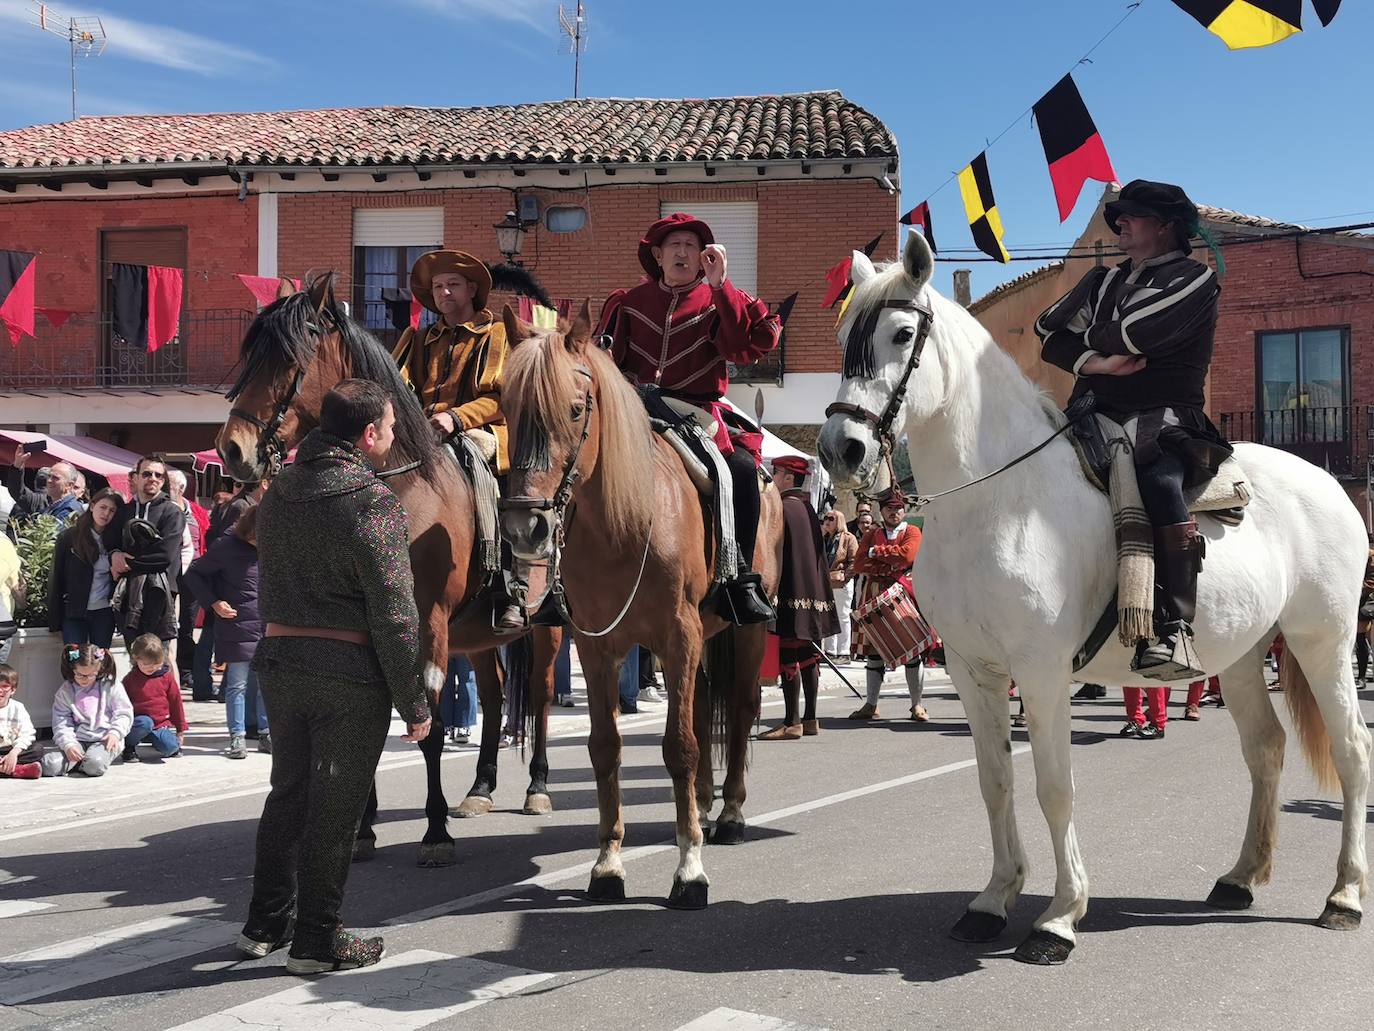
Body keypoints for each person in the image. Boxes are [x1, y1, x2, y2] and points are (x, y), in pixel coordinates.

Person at [237, 379, 430, 974]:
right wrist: (415, 703)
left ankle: (264, 924)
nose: (395, 437)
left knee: (287, 796)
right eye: (392, 428)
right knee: (334, 810)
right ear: (369, 435)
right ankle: (317, 939)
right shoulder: (373, 504)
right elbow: (396, 615)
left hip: (279, 664)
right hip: (346, 675)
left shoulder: (281, 490)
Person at [1036, 180, 1229, 680]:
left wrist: (1090, 340)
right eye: (1117, 217)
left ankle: (1175, 627)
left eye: (1132, 217)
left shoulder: (1195, 280)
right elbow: (1047, 331)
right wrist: (1099, 364)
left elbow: (1138, 332)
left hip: (1163, 417)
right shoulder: (1102, 280)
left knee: (1161, 482)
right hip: (1090, 412)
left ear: (1164, 227)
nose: (1119, 224)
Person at [597, 212, 781, 625]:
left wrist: (721, 287)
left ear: (705, 258)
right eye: (674, 246)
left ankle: (740, 580)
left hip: (694, 413)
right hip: (632, 408)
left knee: (738, 468)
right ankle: (554, 576)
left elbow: (739, 348)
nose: (682, 252)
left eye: (692, 247)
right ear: (657, 256)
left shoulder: (722, 299)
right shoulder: (627, 302)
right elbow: (605, 358)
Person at [393, 249, 521, 630]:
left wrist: (455, 417)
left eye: (452, 285)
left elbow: (500, 397)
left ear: (471, 290)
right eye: (437, 286)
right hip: (423, 435)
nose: (444, 292)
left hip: (480, 432)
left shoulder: (495, 334)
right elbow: (398, 391)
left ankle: (510, 583)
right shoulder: (417, 338)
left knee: (504, 487)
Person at [758, 456, 840, 740]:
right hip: (812, 595)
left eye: (777, 473)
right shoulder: (807, 509)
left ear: (790, 477)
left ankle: (791, 721)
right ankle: (810, 718)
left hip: (790, 592)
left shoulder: (782, 508)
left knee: (789, 652)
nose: (773, 478)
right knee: (807, 653)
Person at [186, 505, 265, 759]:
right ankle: (237, 736)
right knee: (237, 684)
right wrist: (214, 602)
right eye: (255, 537)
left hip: (265, 625)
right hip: (237, 624)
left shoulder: (273, 545)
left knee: (264, 684)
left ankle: (265, 732)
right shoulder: (225, 546)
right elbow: (194, 575)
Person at [849, 490, 929, 722]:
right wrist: (887, 565)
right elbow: (860, 562)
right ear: (882, 511)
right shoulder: (872, 533)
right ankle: (871, 704)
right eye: (889, 509)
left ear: (904, 511)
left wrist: (878, 553)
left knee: (911, 649)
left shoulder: (912, 531)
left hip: (902, 594)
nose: (894, 513)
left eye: (898, 509)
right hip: (873, 595)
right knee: (874, 655)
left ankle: (917, 705)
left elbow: (908, 557)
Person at [107, 454, 185, 652]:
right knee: (135, 656)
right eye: (147, 473)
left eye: (158, 475)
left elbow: (164, 555)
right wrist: (114, 554)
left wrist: (126, 564)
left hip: (160, 593)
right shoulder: (123, 511)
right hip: (127, 594)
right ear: (136, 477)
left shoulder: (172, 512)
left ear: (163, 480)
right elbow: (109, 542)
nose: (153, 478)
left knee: (157, 659)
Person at [41, 644, 131, 777]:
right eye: (80, 675)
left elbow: (123, 713)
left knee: (94, 765)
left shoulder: (111, 685)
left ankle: (83, 762)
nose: (85, 679)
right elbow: (61, 721)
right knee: (49, 765)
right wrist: (68, 744)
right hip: (77, 741)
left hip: (104, 740)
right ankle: (79, 760)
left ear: (99, 670)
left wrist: (115, 733)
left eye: (90, 675)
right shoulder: (65, 691)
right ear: (72, 670)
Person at [47, 487, 121, 648]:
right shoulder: (69, 537)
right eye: (103, 507)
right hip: (74, 612)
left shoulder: (116, 540)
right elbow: (56, 578)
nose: (106, 514)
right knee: (74, 659)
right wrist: (55, 620)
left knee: (100, 661)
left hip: (103, 613)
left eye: (112, 510)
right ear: (92, 506)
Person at [168, 468, 209, 690]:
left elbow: (206, 538)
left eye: (170, 484)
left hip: (193, 573)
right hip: (171, 572)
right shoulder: (163, 510)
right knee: (171, 623)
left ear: (181, 488)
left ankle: (186, 669)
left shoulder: (198, 512)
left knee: (188, 622)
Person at [120, 634, 187, 761]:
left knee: (171, 748)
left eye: (157, 663)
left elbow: (175, 703)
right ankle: (129, 746)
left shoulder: (166, 677)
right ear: (136, 659)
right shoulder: (130, 680)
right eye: (146, 664)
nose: (152, 667)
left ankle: (158, 740)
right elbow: (120, 705)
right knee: (145, 723)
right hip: (138, 724)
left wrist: (180, 729)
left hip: (160, 724)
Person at [822, 508, 859, 663]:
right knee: (829, 616)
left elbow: (854, 561)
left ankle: (843, 652)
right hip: (826, 582)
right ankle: (830, 651)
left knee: (843, 616)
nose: (827, 521)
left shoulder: (848, 538)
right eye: (826, 518)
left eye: (831, 518)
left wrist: (845, 578)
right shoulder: (824, 538)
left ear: (839, 521)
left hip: (841, 583)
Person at [6, 453, 84, 524]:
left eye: (55, 478)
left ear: (69, 485)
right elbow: (18, 492)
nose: (49, 480)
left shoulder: (70, 510)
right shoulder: (46, 501)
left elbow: (54, 537)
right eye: (49, 476)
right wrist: (18, 464)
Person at [0, 663, 41, 779]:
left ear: (12, 690)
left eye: (5, 686)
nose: (0, 690)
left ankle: (7, 766)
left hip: (11, 749)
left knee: (37, 749)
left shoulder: (18, 708)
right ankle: (18, 770)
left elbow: (28, 733)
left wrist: (14, 753)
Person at [1357, 536, 1374, 687]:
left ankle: (1362, 677)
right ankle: (1360, 676)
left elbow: (1371, 582)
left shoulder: (1370, 556)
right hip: (1356, 602)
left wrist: (1354, 587)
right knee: (1359, 640)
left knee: (1361, 639)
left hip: (1366, 604)